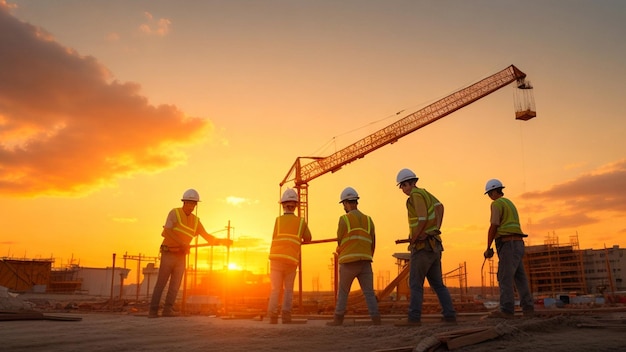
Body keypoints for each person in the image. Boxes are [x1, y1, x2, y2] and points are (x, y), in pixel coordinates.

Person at [149, 189, 231, 318]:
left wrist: (222, 241)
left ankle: (167, 310)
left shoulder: (196, 221)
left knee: (175, 285)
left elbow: (208, 237)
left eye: (194, 204)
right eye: (189, 203)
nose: (191, 206)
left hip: (181, 256)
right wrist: (181, 242)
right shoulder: (174, 213)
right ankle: (153, 311)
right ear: (184, 202)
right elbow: (166, 231)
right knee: (161, 283)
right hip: (168, 253)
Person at [395, 168, 456, 326]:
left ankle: (414, 318)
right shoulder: (425, 193)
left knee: (415, 284)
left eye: (402, 186)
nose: (402, 189)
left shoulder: (415, 195)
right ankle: (450, 316)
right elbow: (440, 207)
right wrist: (434, 229)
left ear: (409, 183)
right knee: (437, 284)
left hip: (423, 247)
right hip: (435, 246)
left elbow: (421, 218)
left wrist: (415, 237)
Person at [327, 187, 381, 326]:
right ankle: (376, 319)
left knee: (343, 292)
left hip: (348, 262)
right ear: (356, 201)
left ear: (345, 203)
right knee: (369, 292)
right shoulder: (369, 220)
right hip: (365, 261)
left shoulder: (344, 219)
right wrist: (367, 256)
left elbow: (340, 240)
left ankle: (338, 319)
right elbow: (373, 242)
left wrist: (341, 251)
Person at [483, 179, 534, 319]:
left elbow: (494, 225)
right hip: (518, 243)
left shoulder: (496, 204)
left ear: (494, 192)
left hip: (508, 244)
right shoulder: (509, 203)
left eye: (489, 194)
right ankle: (528, 309)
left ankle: (506, 310)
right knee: (520, 278)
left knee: (504, 277)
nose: (489, 196)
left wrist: (488, 247)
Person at [267, 188, 312, 324]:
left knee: (275, 289)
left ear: (283, 205)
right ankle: (286, 316)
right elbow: (308, 238)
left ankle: (273, 316)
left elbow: (274, 236)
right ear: (296, 206)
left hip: (275, 260)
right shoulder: (301, 222)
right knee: (288, 290)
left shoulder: (278, 221)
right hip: (291, 261)